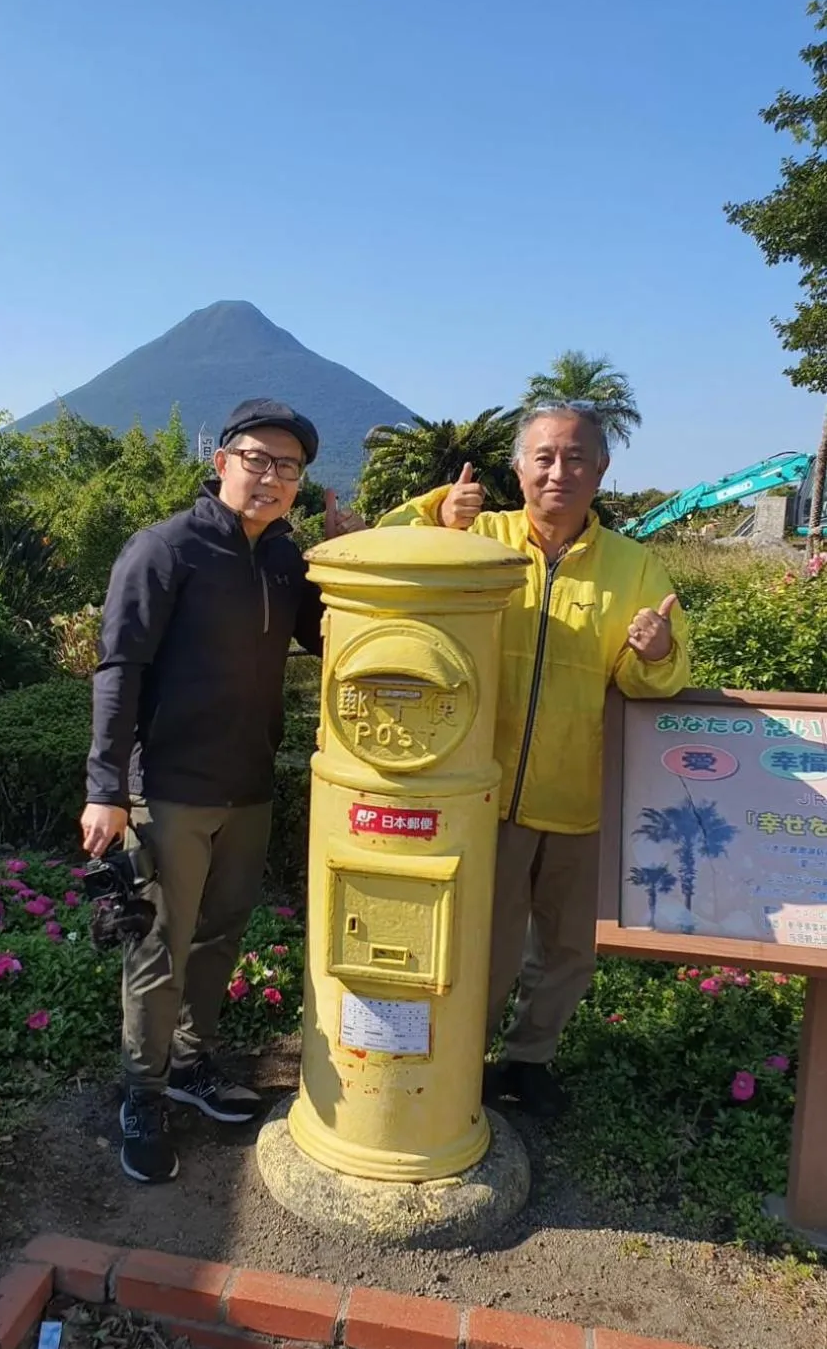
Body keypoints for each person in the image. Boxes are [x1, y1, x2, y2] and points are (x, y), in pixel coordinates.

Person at [378, 401, 690, 1117]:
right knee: (474, 946)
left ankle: (528, 1059)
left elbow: (661, 676)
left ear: (601, 470)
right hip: (478, 795)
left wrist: (657, 650)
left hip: (580, 795)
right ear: (517, 467)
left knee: (567, 948)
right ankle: (457, 1062)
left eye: (576, 457)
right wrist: (434, 511)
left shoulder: (633, 566)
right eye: (543, 456)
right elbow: (377, 548)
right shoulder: (475, 537)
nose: (559, 470)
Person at [81, 398, 363, 1183]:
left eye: (288, 468)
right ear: (221, 462)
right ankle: (142, 1089)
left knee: (218, 935)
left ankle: (191, 1060)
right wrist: (105, 788)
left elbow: (331, 631)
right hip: (168, 785)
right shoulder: (165, 549)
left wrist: (346, 558)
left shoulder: (284, 557)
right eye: (257, 459)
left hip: (248, 785)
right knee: (157, 948)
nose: (271, 477)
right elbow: (119, 670)